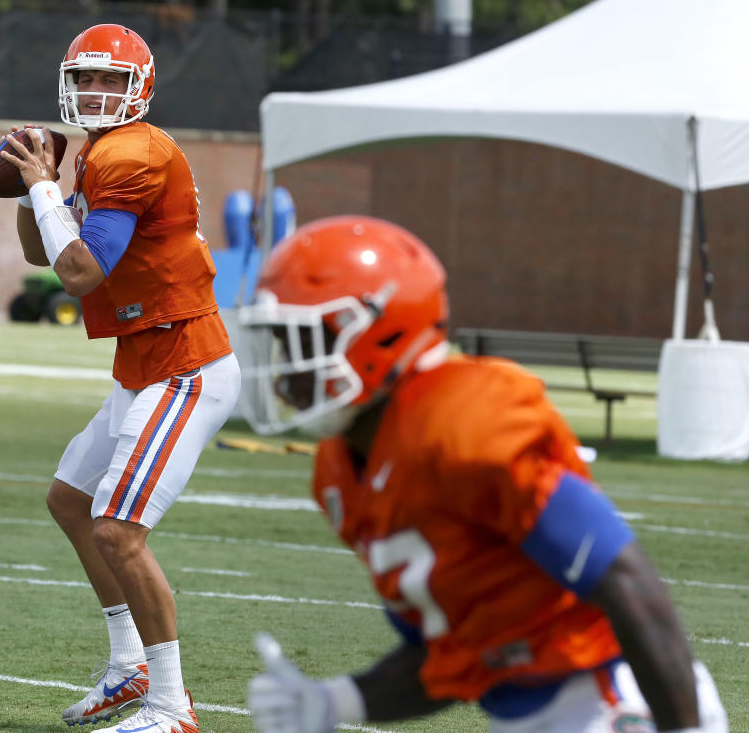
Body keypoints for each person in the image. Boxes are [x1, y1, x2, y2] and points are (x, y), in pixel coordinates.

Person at [236, 215, 728, 732]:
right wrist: (334, 703)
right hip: (528, 714)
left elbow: (627, 579)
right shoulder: (340, 473)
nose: (288, 369)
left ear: (376, 332)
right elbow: (450, 655)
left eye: (302, 341)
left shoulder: (467, 421)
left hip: (612, 700)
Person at [0, 23, 240, 733]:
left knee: (118, 530)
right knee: (70, 500)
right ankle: (130, 666)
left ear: (141, 87)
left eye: (112, 79)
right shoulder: (101, 153)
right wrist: (26, 190)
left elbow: (78, 274)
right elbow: (43, 253)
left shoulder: (135, 152)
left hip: (185, 365)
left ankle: (172, 706)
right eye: (87, 79)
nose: (97, 92)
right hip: (142, 363)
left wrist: (45, 188)